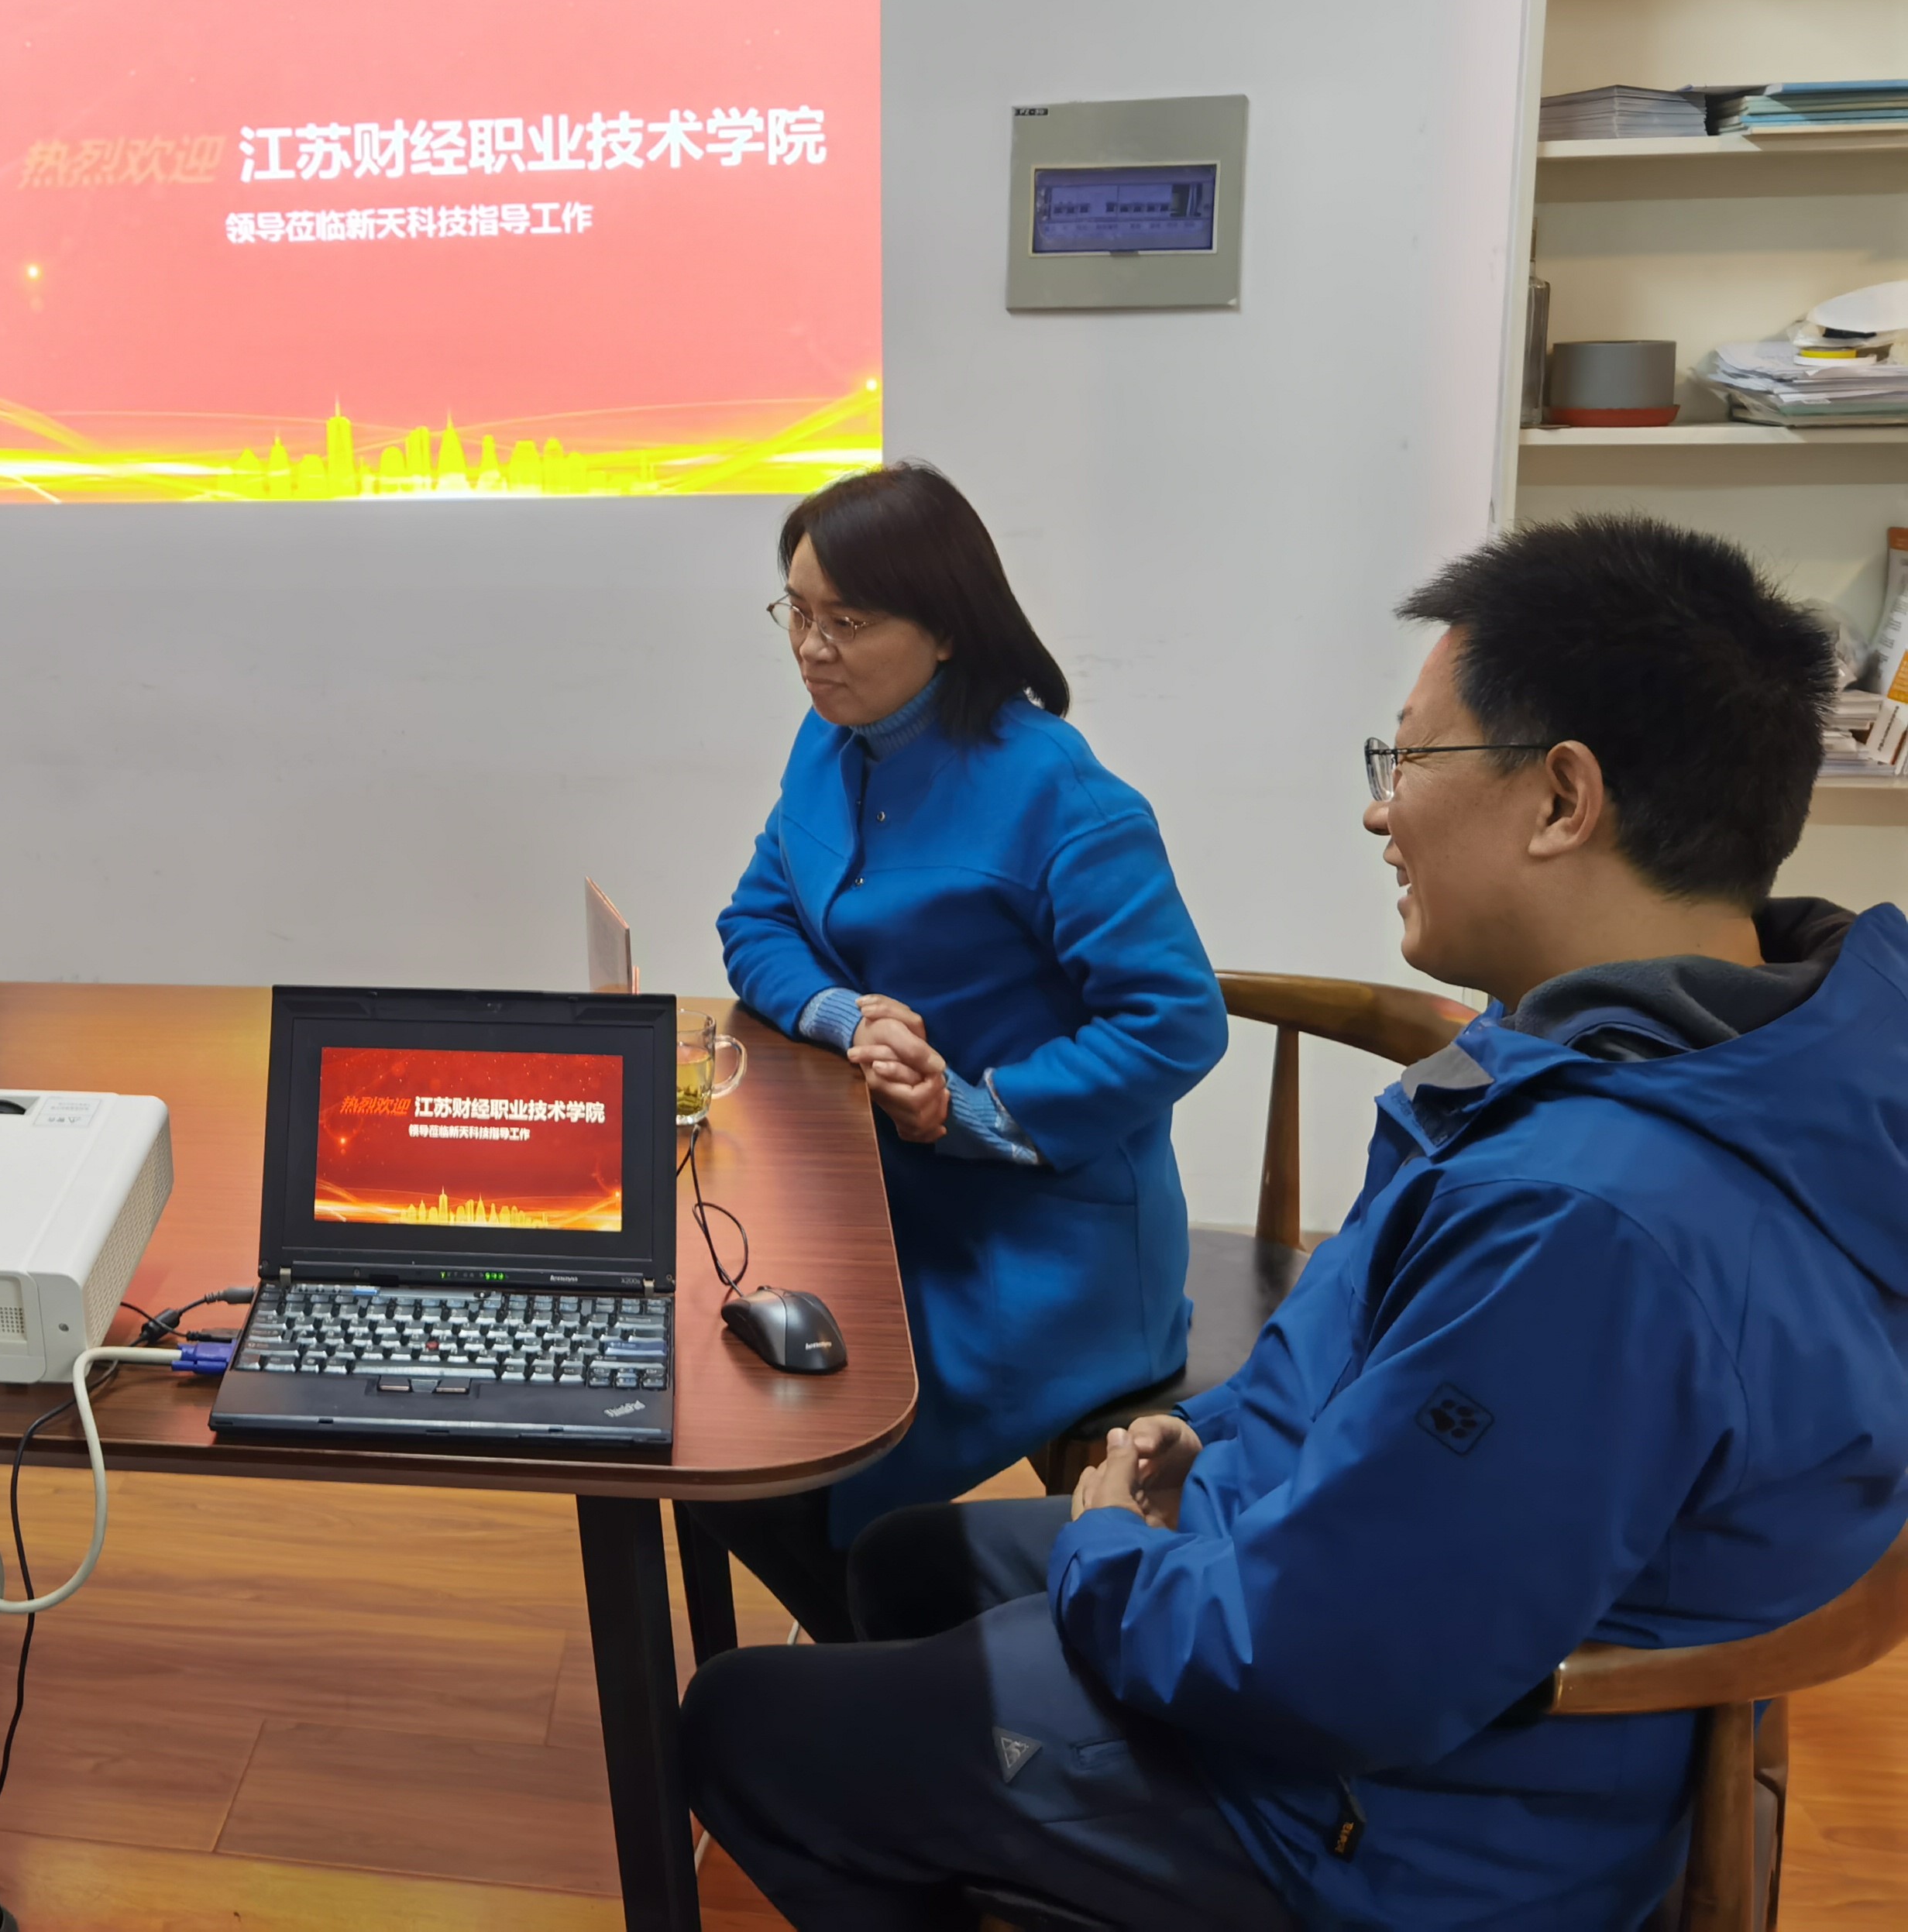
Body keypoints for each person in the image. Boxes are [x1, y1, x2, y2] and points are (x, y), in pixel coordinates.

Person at [682, 513, 1908, 1930]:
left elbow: (1331, 1663)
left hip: (1391, 1813)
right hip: (1324, 1575)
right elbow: (1354, 1388)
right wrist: (1202, 1444)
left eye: (1409, 760)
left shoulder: (1587, 1221)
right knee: (904, 1562)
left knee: (742, 1724)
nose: (1381, 814)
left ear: (1563, 799)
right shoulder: (1651, 1043)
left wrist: (1114, 1551)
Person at [693, 464, 1226, 1634]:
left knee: (782, 1454)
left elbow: (1177, 1023)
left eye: (848, 621)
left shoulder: (1062, 794)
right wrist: (846, 1016)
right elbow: (756, 922)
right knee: (698, 1393)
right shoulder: (831, 742)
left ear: (945, 627)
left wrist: (972, 1110)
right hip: (874, 1197)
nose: (812, 649)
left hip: (1038, 1242)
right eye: (797, 612)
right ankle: (882, 1653)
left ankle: (908, 1672)